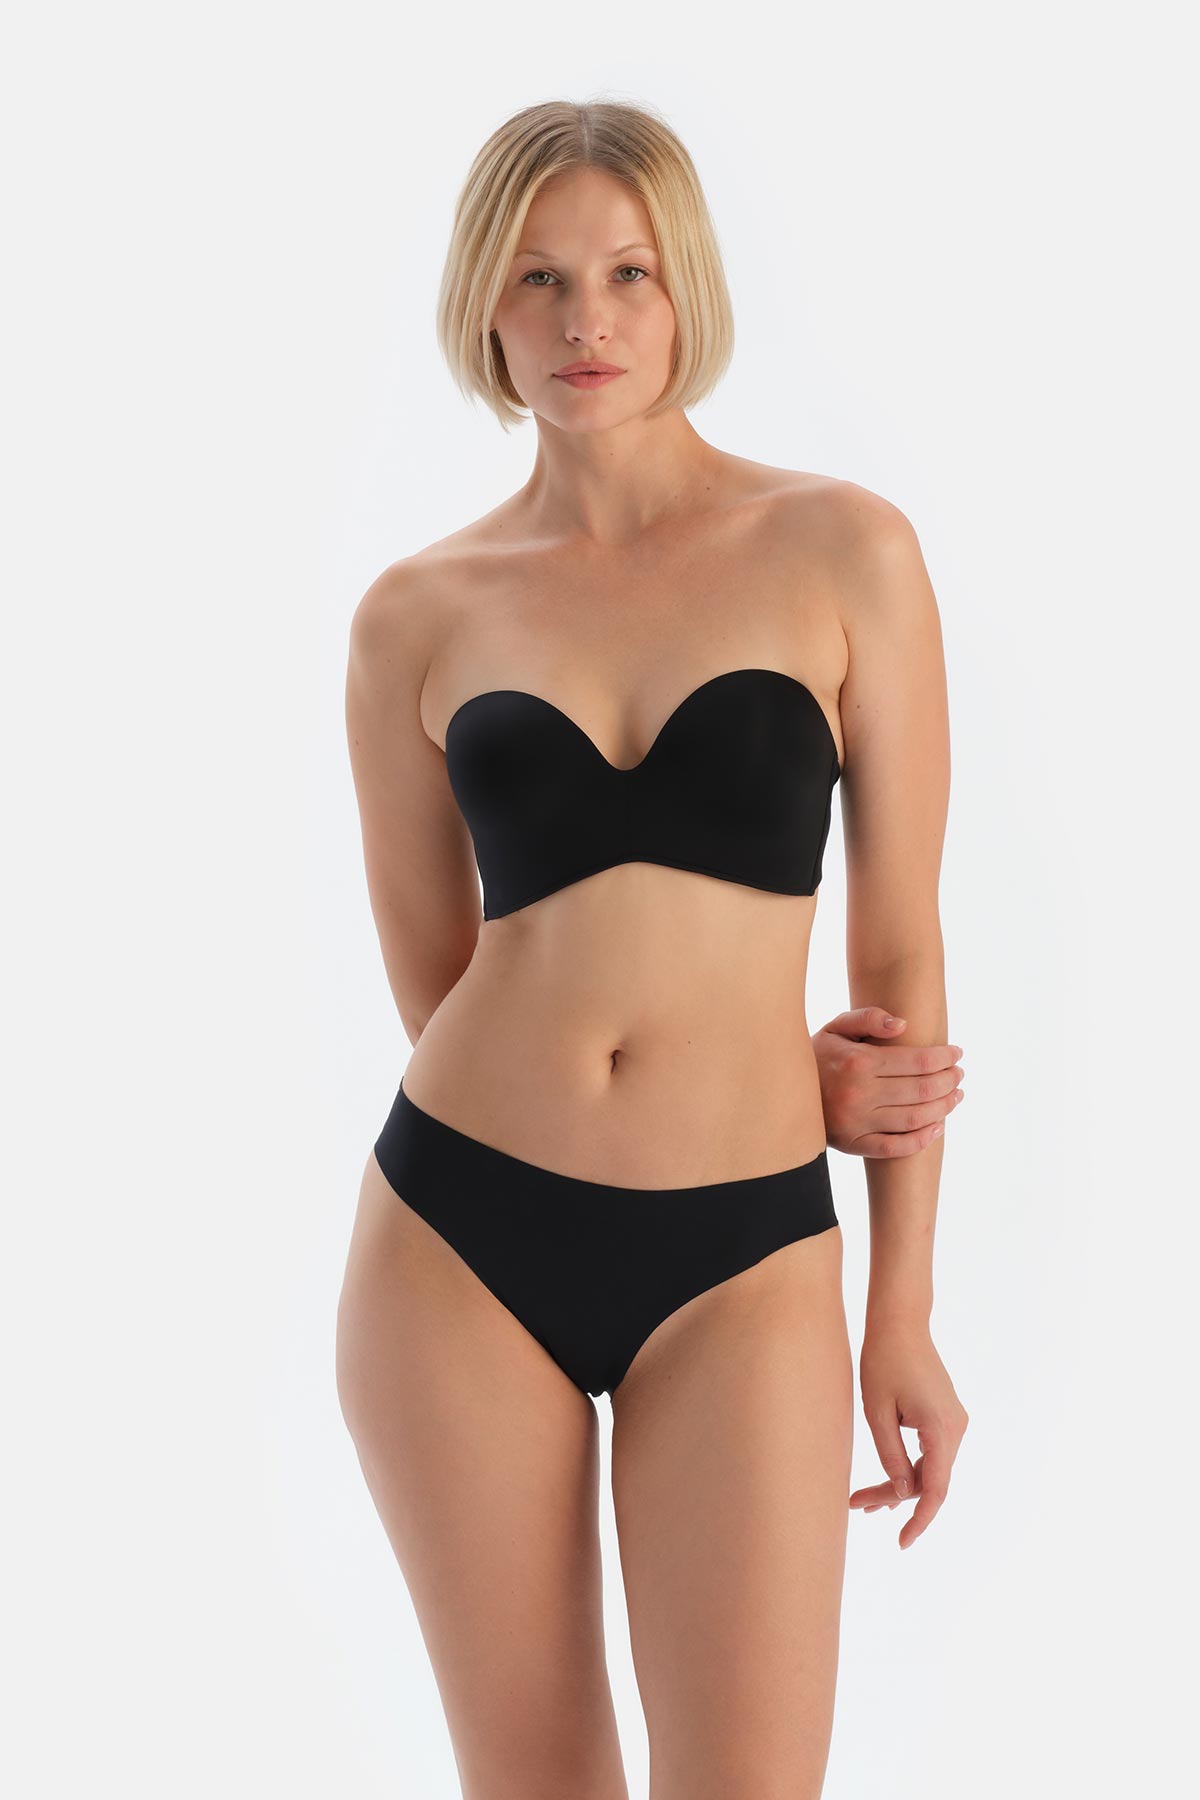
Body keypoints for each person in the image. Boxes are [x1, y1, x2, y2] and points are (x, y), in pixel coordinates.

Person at [336, 97, 969, 1800]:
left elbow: (902, 959)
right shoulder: (416, 613)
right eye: (538, 277)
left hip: (745, 1251)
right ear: (484, 301)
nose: (586, 320)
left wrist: (901, 1310)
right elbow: (436, 985)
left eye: (627, 272)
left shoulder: (843, 550)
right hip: (456, 1244)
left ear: (688, 285)